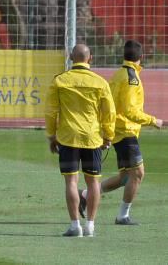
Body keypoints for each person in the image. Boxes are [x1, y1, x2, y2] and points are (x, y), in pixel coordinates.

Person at [78, 40, 163, 224]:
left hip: (118, 130)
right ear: (142, 57)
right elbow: (129, 110)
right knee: (138, 174)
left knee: (126, 177)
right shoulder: (132, 78)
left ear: (123, 56)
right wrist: (153, 121)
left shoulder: (118, 74)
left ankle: (84, 195)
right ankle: (123, 216)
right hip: (125, 131)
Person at [45, 44, 116, 237]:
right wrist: (108, 135)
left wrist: (52, 135)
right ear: (90, 59)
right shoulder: (100, 82)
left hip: (68, 138)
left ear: (70, 57)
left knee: (71, 182)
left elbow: (51, 111)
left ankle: (75, 225)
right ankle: (90, 226)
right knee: (93, 182)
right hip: (92, 138)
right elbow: (109, 112)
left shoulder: (60, 81)